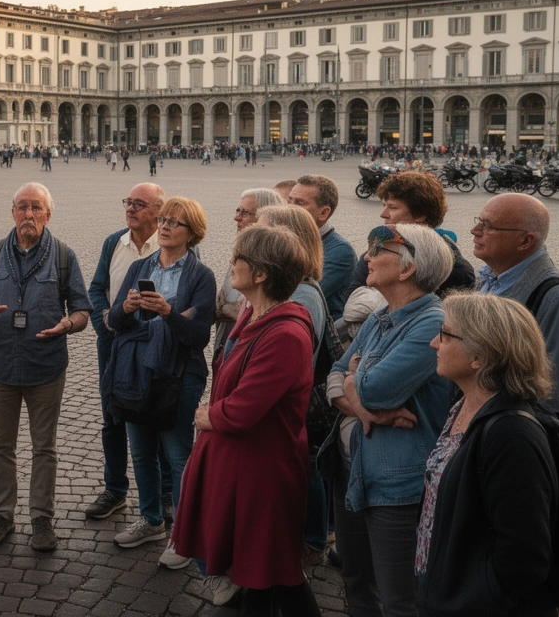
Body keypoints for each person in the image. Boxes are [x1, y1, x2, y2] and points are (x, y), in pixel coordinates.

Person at [170, 225, 322, 616]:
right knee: (260, 572)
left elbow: (242, 410)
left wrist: (208, 416)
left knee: (276, 572)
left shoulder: (286, 334)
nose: (231, 262)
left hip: (264, 472)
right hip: (245, 466)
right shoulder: (254, 314)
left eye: (240, 257)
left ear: (261, 274)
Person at [326, 224, 453, 617]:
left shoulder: (431, 323)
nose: (367, 256)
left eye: (378, 249)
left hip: (397, 484)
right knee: (355, 579)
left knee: (399, 599)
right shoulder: (381, 315)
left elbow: (374, 389)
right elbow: (334, 375)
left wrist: (355, 381)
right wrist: (361, 404)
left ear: (407, 269)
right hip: (354, 467)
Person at [415, 293, 557, 617]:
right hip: (440, 591)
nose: (434, 343)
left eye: (444, 335)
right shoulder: (462, 406)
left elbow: (524, 555)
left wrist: (472, 595)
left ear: (479, 356)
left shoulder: (512, 435)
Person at [0, 182, 90, 553]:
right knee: (1, 446)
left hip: (45, 365)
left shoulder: (64, 256)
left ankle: (41, 518)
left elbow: (82, 310)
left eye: (36, 207)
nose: (28, 214)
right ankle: (2, 514)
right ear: (13, 212)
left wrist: (67, 324)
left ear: (47, 214)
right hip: (0, 363)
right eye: (22, 207)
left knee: (44, 447)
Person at [107, 197, 216, 570]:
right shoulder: (140, 266)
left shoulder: (201, 276)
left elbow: (198, 336)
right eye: (164, 219)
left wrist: (167, 312)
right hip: (136, 370)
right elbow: (115, 323)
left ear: (192, 232)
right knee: (141, 451)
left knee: (177, 454)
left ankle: (182, 537)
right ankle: (152, 520)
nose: (165, 226)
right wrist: (127, 308)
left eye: (175, 222)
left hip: (179, 373)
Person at [472, 193, 559, 423]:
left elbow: (553, 397)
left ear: (525, 241)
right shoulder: (485, 280)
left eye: (487, 225)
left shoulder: (557, 299)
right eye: (479, 220)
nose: (475, 230)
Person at [255, 204, 333, 565]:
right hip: (283, 407)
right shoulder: (297, 288)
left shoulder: (301, 293)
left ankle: (308, 542)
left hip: (286, 407)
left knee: (304, 468)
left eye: (262, 230)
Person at [86, 183, 168, 522]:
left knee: (159, 414)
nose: (130, 209)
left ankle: (165, 493)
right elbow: (96, 289)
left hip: (153, 345)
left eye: (139, 204)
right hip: (114, 342)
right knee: (112, 416)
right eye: (128, 202)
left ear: (158, 212)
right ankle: (115, 488)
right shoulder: (114, 242)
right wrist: (103, 322)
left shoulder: (169, 243)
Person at [345, 171, 475, 297]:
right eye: (384, 205)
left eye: (393, 207)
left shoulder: (456, 270)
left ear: (420, 215)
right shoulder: (373, 254)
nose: (383, 214)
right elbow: (352, 297)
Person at [214, 188, 284, 352]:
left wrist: (224, 308)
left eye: (244, 212)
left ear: (264, 220)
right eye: (238, 210)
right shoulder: (240, 255)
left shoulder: (272, 265)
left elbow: (256, 313)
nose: (236, 217)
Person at [289, 174, 355, 321]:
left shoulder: (340, 251)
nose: (289, 208)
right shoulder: (289, 241)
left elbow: (296, 298)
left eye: (299, 203)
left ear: (323, 213)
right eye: (289, 201)